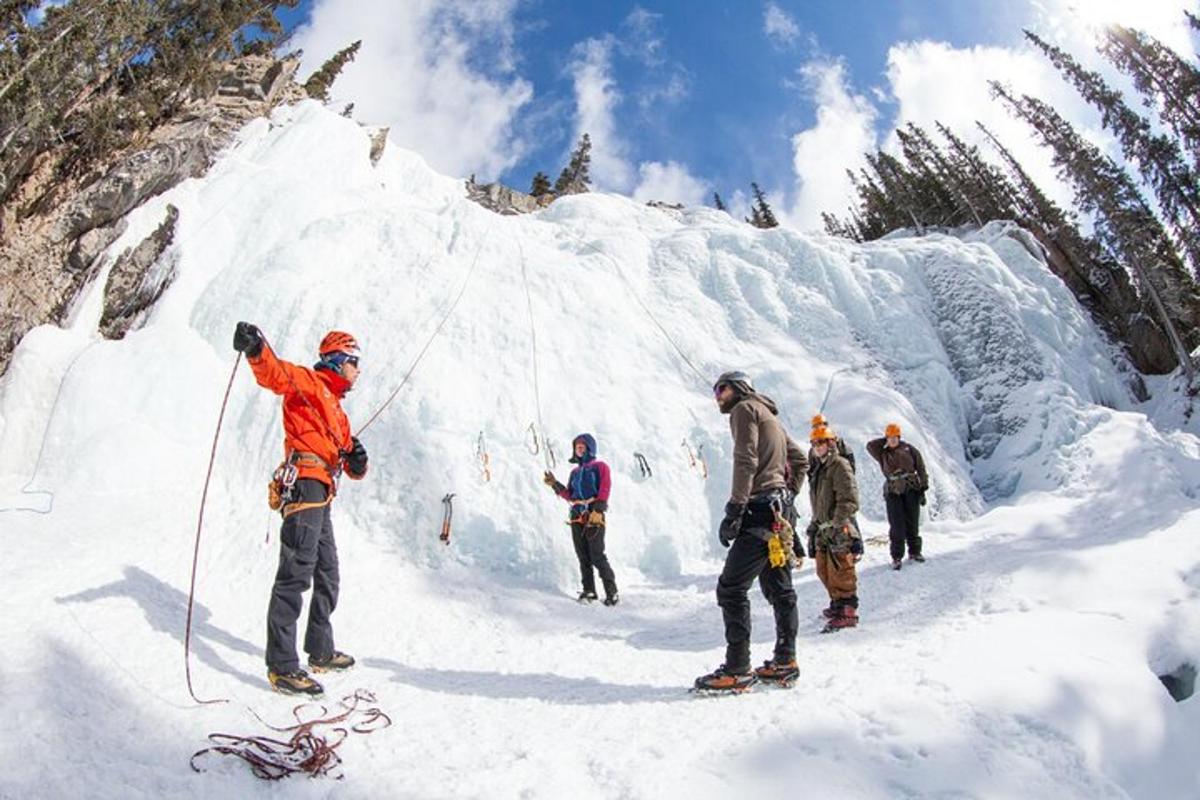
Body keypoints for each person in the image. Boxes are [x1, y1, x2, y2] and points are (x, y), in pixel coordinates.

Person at [233, 322, 368, 697]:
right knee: (296, 574)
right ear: (338, 361)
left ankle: (320, 650)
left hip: (322, 489)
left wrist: (357, 461)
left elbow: (350, 462)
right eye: (354, 362)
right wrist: (256, 348)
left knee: (328, 572)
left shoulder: (338, 412)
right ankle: (282, 667)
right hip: (305, 482)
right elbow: (275, 374)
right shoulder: (308, 383)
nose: (358, 370)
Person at [694, 371, 807, 693]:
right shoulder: (768, 413)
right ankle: (786, 660)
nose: (717, 395)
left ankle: (738, 668)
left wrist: (736, 508)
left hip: (759, 510)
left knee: (731, 589)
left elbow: (745, 459)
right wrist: (786, 495)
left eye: (721, 388)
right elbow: (800, 460)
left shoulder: (745, 409)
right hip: (779, 512)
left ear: (739, 388)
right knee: (779, 588)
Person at [544, 433, 618, 606]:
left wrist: (599, 509)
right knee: (583, 555)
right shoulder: (575, 472)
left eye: (582, 446)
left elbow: (605, 486)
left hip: (594, 513)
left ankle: (611, 591)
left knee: (597, 555)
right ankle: (589, 591)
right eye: (577, 446)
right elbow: (570, 495)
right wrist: (555, 484)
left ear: (590, 448)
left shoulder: (600, 467)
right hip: (577, 515)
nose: (579, 448)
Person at [807, 426, 862, 632]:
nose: (817, 447)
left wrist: (838, 522)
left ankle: (847, 610)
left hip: (838, 528)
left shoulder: (839, 465)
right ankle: (837, 603)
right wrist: (815, 526)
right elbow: (819, 502)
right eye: (814, 443)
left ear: (831, 443)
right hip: (823, 527)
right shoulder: (820, 468)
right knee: (824, 569)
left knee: (841, 568)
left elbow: (849, 499)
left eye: (821, 442)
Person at [866, 423, 929, 570]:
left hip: (911, 488)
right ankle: (897, 556)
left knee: (912, 521)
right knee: (896, 525)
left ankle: (915, 552)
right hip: (893, 490)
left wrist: (923, 487)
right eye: (890, 437)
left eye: (895, 437)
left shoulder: (910, 449)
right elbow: (870, 446)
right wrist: (885, 441)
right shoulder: (882, 453)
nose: (893, 440)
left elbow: (921, 467)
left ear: (899, 437)